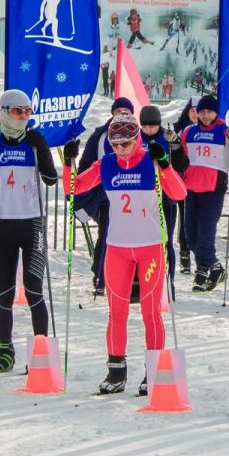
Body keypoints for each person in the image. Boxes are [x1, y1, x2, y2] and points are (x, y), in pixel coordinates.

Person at [68, 111, 186, 395]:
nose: (120, 149)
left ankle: (154, 370)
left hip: (149, 248)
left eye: (126, 143)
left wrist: (166, 165)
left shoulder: (150, 159)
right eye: (115, 143)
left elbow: (179, 194)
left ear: (137, 139)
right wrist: (67, 161)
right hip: (118, 248)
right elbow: (72, 188)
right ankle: (116, 370)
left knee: (150, 312)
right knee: (116, 312)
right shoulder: (106, 163)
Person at [0, 89, 60, 375]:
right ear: (5, 112)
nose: (24, 116)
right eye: (18, 111)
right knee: (4, 292)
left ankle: (41, 351)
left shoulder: (34, 140)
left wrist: (43, 149)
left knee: (34, 290)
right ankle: (4, 351)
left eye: (28, 111)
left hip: (33, 225)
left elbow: (50, 179)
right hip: (4, 224)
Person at [72, 95, 133, 297]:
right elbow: (86, 166)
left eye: (126, 112)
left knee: (132, 239)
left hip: (134, 196)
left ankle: (132, 280)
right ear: (112, 114)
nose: (123, 115)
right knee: (107, 236)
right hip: (107, 197)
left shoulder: (137, 135)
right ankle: (100, 277)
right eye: (119, 112)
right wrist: (81, 194)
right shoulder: (100, 136)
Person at [180, 94, 229, 292]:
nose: (206, 115)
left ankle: (201, 273)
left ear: (216, 112)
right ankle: (215, 267)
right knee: (190, 235)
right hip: (190, 189)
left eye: (209, 111)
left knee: (205, 235)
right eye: (202, 112)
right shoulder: (188, 132)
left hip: (213, 190)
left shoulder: (224, 131)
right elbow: (181, 159)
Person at [138, 104, 185, 271]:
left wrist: (176, 146)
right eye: (145, 126)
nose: (148, 129)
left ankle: (168, 278)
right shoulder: (137, 138)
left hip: (166, 197)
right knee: (142, 241)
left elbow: (182, 165)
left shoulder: (167, 136)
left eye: (152, 126)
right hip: (143, 198)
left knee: (165, 240)